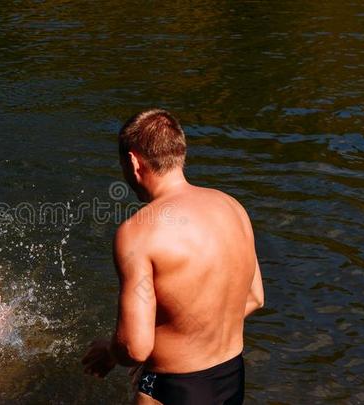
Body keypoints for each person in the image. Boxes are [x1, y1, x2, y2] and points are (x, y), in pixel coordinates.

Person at [81, 109, 265, 404]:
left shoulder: (138, 233)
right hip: (231, 378)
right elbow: (255, 297)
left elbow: (135, 348)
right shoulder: (233, 208)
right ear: (179, 153)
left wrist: (109, 352)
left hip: (174, 388)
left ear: (133, 161)